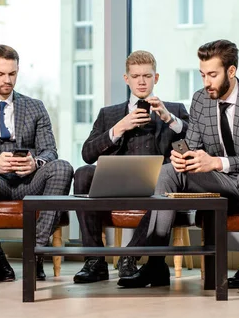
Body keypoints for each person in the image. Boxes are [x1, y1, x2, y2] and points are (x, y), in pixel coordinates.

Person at [118, 40, 239, 289]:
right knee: (167, 172)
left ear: (231, 71)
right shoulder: (201, 99)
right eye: (203, 74)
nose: (206, 82)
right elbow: (192, 143)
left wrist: (217, 162)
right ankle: (156, 264)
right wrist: (182, 157)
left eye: (213, 75)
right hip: (219, 179)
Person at [0, 44, 73, 282]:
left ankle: (35, 254)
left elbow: (50, 150)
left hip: (28, 181)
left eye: (12, 74)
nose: (7, 80)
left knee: (63, 167)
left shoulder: (35, 106)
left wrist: (36, 163)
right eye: (0, 74)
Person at [72, 50, 189, 284]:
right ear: (127, 79)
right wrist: (118, 128)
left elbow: (192, 148)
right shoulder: (109, 114)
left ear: (156, 78)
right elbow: (87, 154)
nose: (142, 81)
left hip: (157, 183)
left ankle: (129, 256)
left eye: (147, 75)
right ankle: (95, 260)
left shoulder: (174, 110)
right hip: (116, 181)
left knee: (164, 185)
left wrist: (169, 120)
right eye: (136, 76)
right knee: (84, 173)